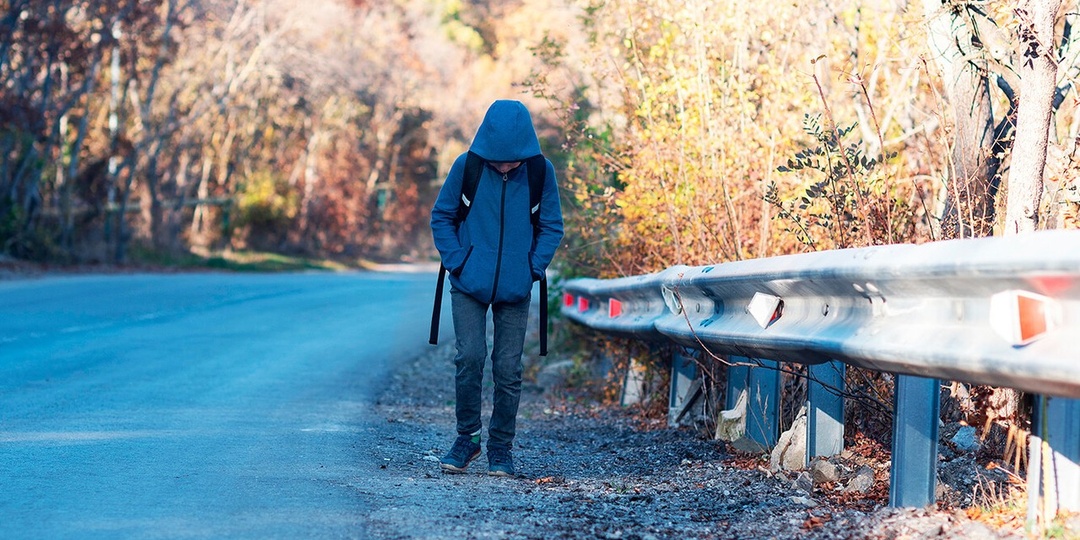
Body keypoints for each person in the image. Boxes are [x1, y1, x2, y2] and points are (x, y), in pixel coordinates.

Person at [429, 99, 564, 476]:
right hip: (468, 282)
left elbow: (552, 225)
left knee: (507, 368)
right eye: (498, 160)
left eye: (511, 161)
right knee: (469, 358)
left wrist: (532, 269)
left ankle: (500, 447)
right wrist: (458, 261)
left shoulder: (540, 172)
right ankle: (467, 439)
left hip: (516, 287)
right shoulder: (467, 166)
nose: (504, 166)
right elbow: (442, 216)